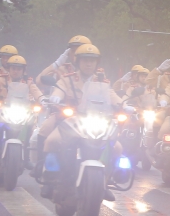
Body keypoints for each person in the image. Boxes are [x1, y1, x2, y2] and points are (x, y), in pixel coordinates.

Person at [40, 44, 125, 200]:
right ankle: (49, 178)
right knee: (51, 141)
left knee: (117, 148)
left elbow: (112, 95)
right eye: (85, 60)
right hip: (72, 121)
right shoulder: (68, 78)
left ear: (97, 63)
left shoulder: (102, 82)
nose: (89, 64)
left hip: (96, 121)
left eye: (92, 60)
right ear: (78, 61)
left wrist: (124, 104)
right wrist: (56, 96)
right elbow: (60, 88)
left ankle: (104, 182)